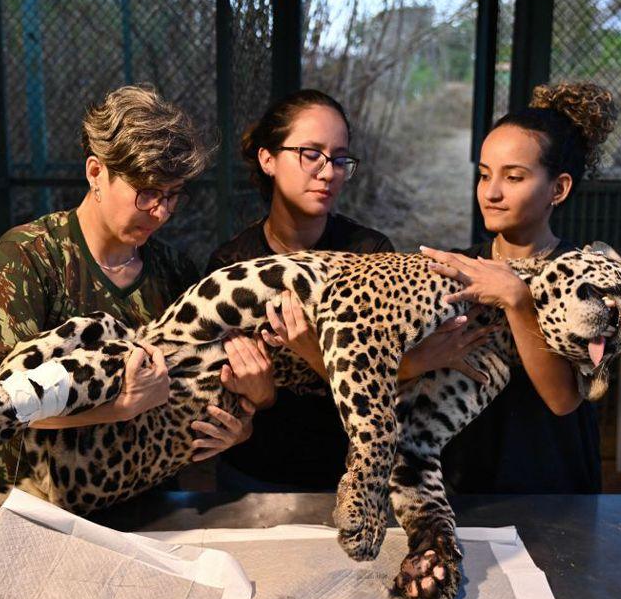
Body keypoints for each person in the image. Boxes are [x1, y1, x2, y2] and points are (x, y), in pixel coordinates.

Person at [206, 89, 494, 491]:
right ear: (267, 159)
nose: (328, 172)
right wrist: (268, 391)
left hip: (348, 476)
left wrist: (310, 352)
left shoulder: (371, 252)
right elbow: (228, 391)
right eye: (311, 154)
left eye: (340, 158)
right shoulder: (232, 266)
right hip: (254, 472)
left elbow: (392, 385)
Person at [0, 85, 254, 486]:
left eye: (173, 196)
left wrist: (241, 426)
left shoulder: (175, 270)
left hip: (145, 491)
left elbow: (204, 387)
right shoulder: (30, 254)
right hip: (42, 497)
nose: (160, 212)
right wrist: (119, 408)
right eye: (147, 192)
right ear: (95, 172)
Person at [420, 81, 618, 494]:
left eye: (513, 177)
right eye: (484, 175)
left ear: (558, 189)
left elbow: (564, 399)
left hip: (553, 490)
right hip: (463, 484)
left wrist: (517, 298)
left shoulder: (590, 280)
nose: (491, 192)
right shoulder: (458, 266)